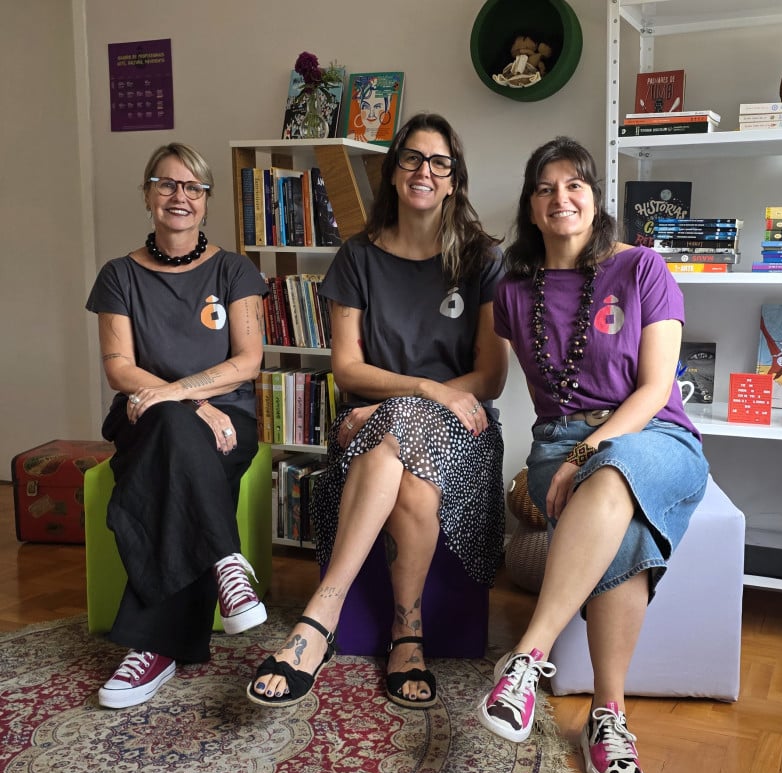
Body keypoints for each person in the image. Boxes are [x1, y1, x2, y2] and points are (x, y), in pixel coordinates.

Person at [247, 113, 508, 709]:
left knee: (398, 436)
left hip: (461, 434)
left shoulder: (482, 258)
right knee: (412, 485)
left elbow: (491, 376)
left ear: (453, 180)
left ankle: (319, 620)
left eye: (439, 162)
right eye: (412, 159)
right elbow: (347, 368)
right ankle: (406, 636)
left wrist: (408, 404)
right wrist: (423, 391)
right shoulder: (357, 258)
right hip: (371, 437)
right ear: (393, 174)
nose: (424, 171)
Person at [478, 137, 708, 773]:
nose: (561, 198)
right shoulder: (512, 291)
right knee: (624, 527)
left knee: (613, 473)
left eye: (574, 184)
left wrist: (588, 450)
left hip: (655, 437)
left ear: (595, 197)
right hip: (556, 448)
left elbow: (655, 388)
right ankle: (609, 719)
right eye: (545, 188)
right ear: (530, 207)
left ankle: (527, 658)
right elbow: (490, 376)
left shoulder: (641, 269)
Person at [85, 142, 269, 709]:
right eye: (166, 184)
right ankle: (224, 560)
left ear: (208, 201)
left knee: (168, 456)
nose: (179, 196)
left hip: (226, 421)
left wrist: (179, 396)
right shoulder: (119, 275)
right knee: (168, 427)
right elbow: (118, 367)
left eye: (192, 187)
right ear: (147, 194)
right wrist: (185, 404)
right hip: (147, 416)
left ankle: (153, 650)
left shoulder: (234, 269)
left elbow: (248, 362)